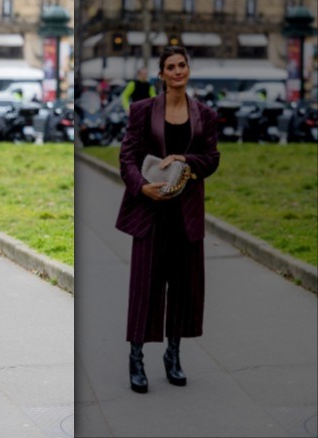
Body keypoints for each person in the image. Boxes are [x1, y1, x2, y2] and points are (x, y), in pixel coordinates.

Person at [115, 46, 220, 394]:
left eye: (182, 65)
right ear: (161, 74)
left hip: (185, 213)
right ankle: (136, 358)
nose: (177, 71)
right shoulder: (143, 111)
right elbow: (127, 157)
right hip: (150, 211)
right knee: (145, 287)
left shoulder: (204, 114)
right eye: (171, 67)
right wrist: (142, 187)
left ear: (188, 69)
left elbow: (212, 158)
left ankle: (173, 356)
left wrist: (186, 161)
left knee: (183, 288)